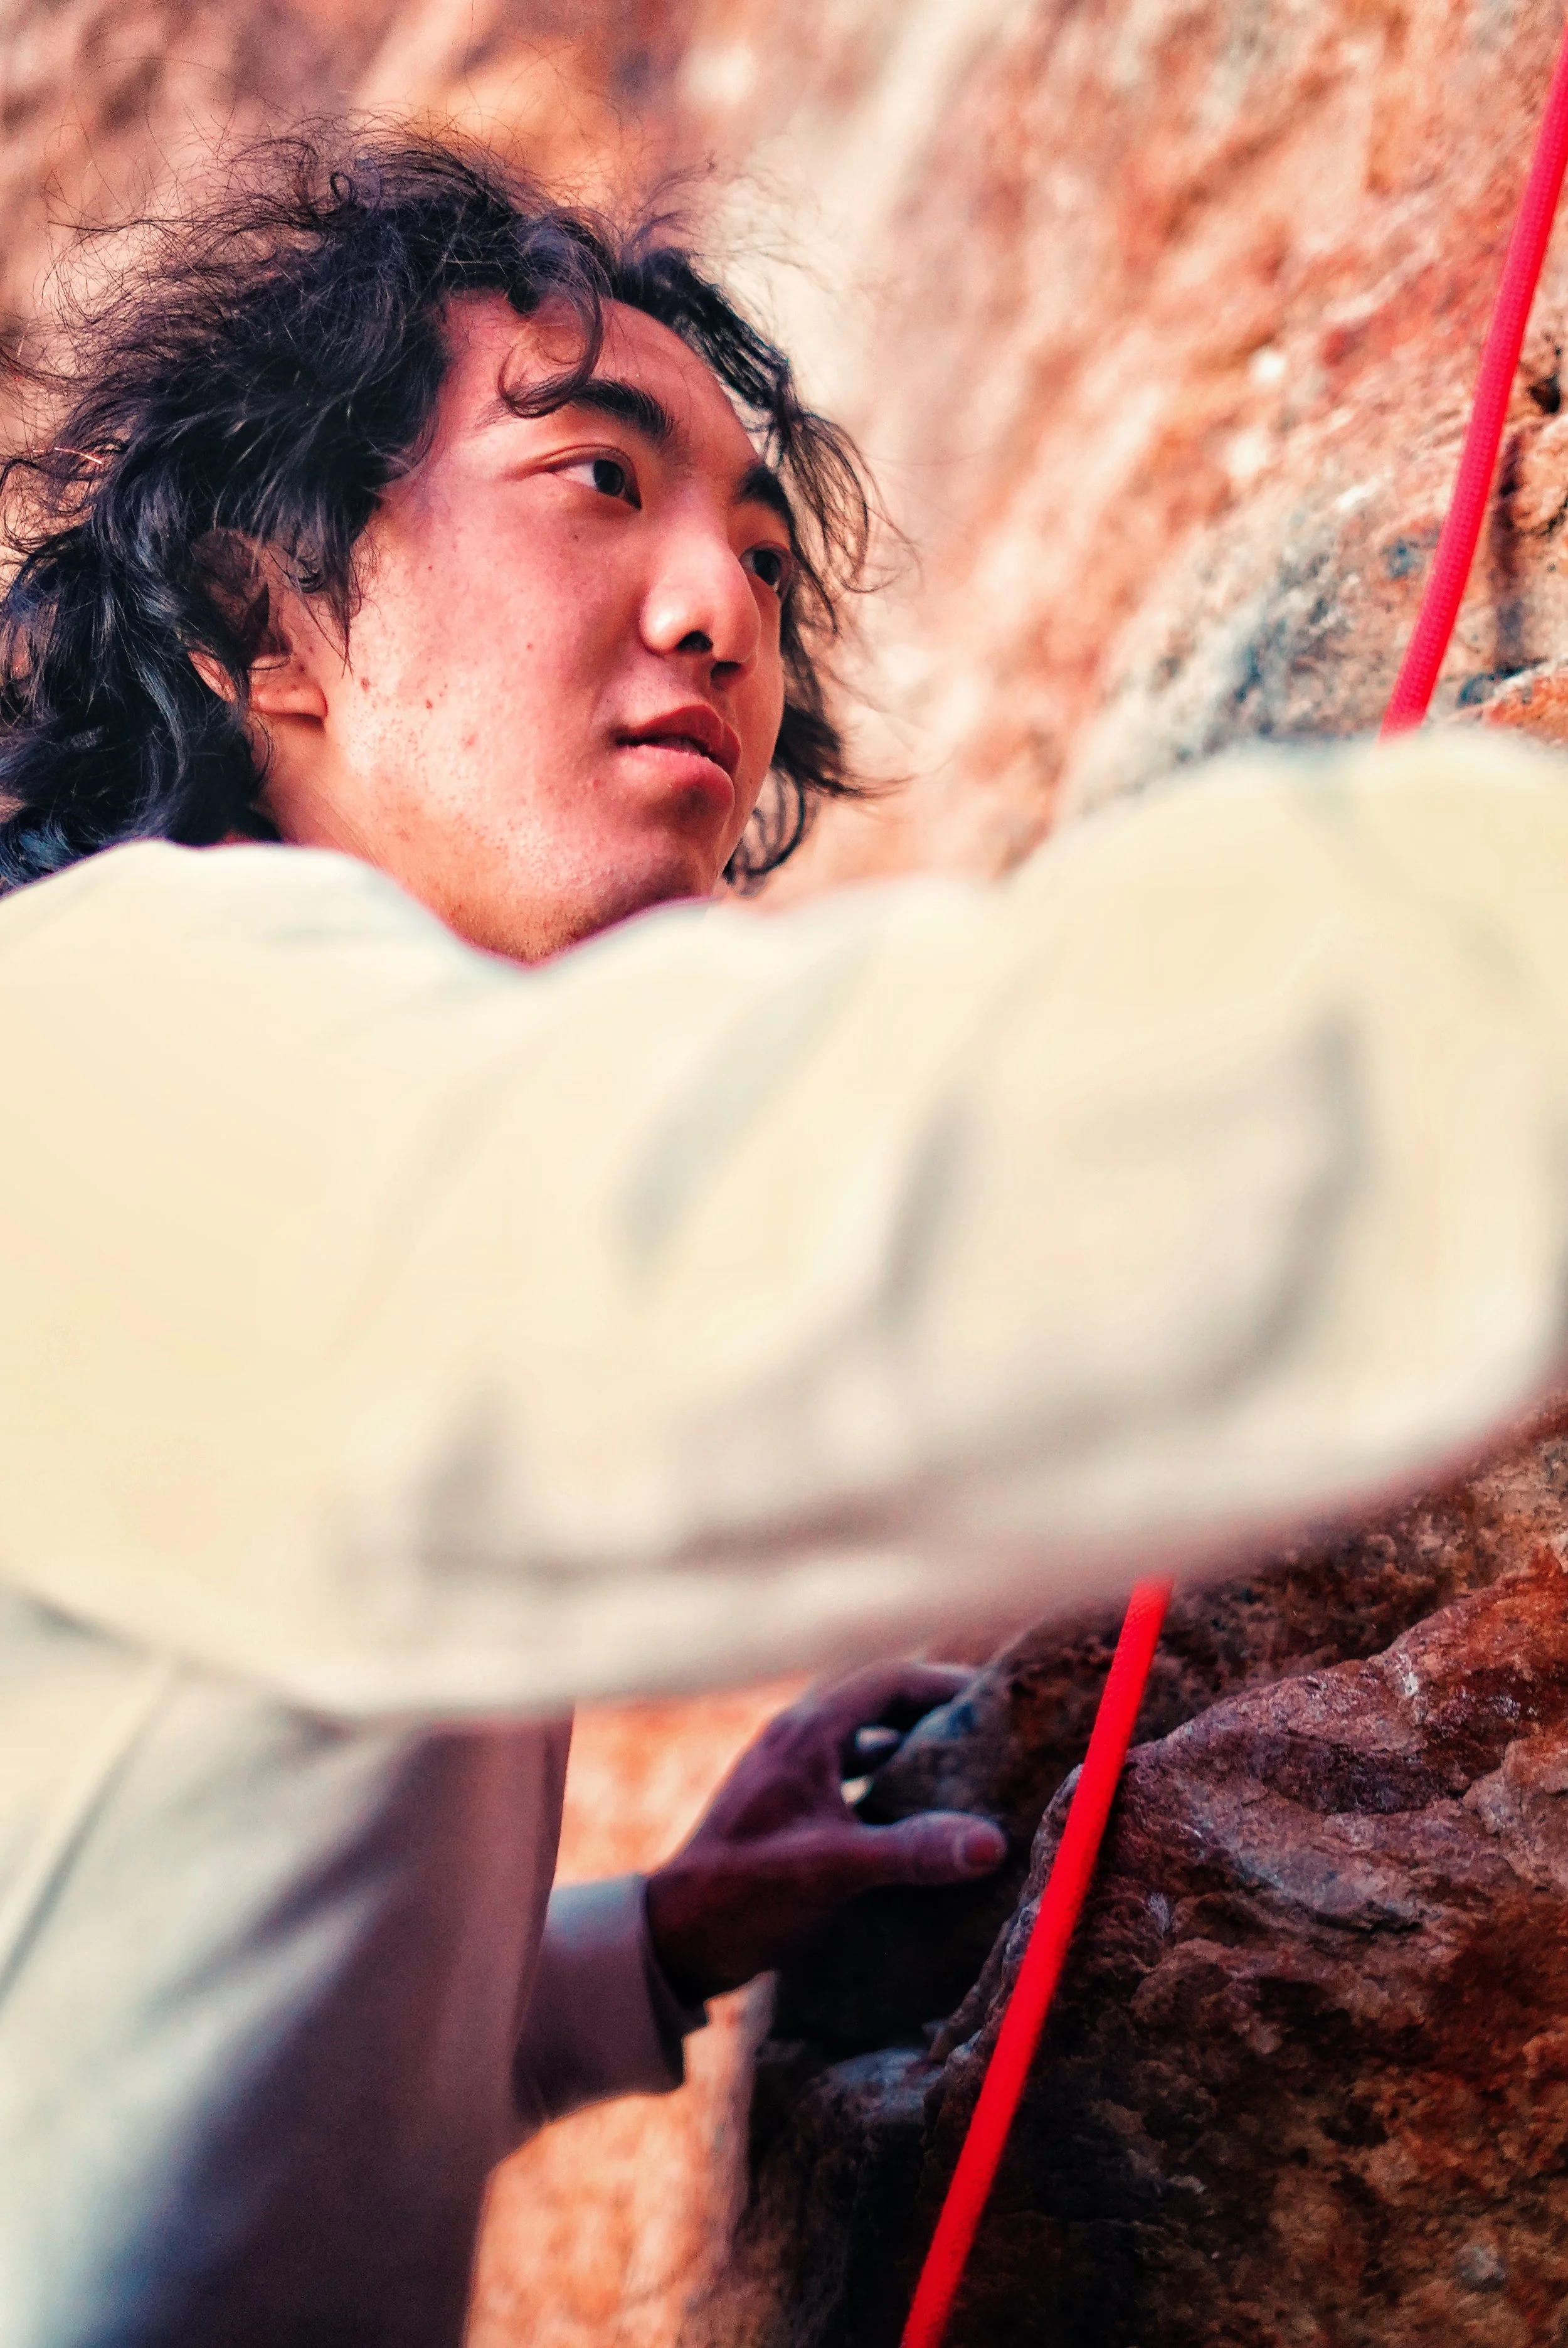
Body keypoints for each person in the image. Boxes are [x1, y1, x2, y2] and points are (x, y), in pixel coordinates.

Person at [3, 132, 1568, 2347]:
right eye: (592, 483)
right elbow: (856, 1242)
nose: (719, 613)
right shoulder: (113, 1031)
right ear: (266, 615)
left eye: (752, 542)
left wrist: (616, 1955)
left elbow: (104, 1976)